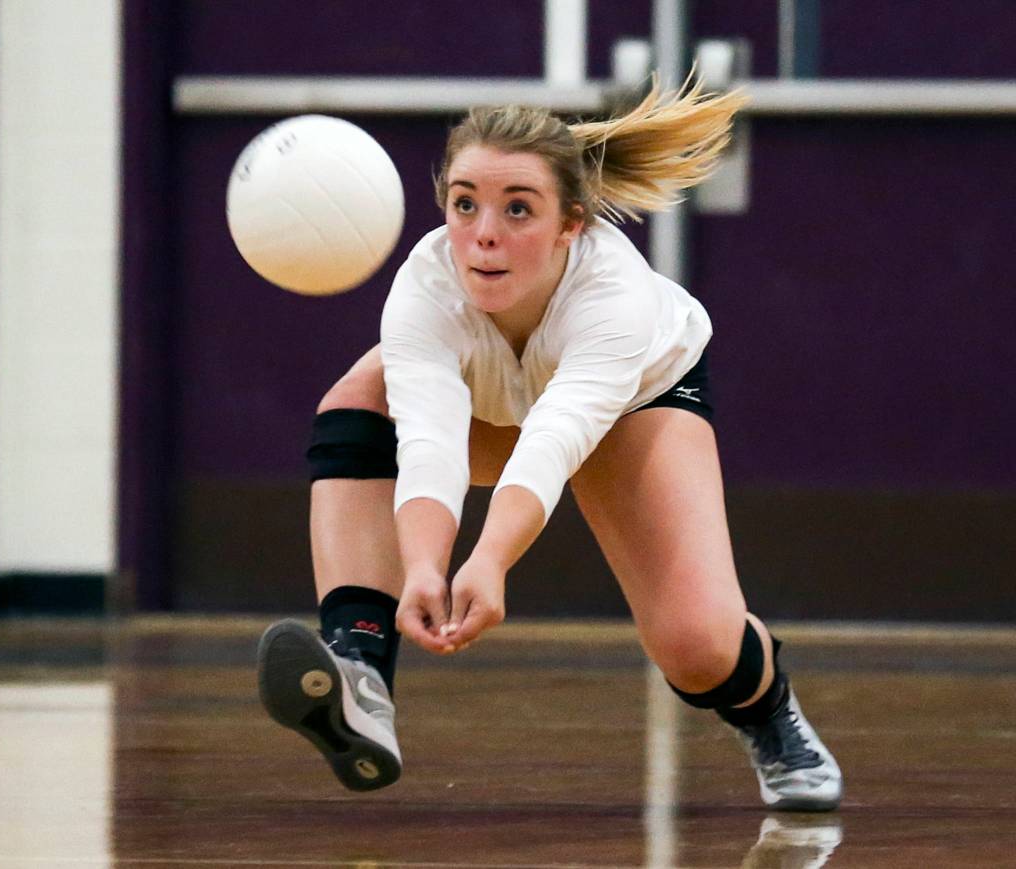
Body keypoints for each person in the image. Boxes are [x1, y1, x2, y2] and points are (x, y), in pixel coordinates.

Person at [257, 75, 843, 810]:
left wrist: (489, 561)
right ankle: (360, 667)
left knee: (698, 647)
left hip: (634, 402)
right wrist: (422, 568)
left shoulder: (613, 296)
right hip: (491, 407)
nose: (484, 234)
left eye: (518, 209)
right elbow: (431, 443)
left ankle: (770, 715)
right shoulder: (423, 289)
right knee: (356, 398)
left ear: (572, 223)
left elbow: (554, 440)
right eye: (464, 203)